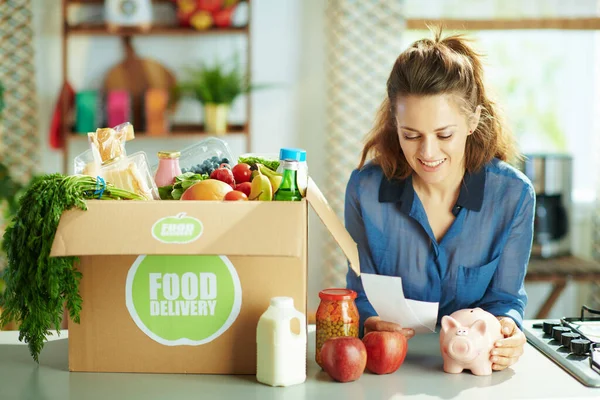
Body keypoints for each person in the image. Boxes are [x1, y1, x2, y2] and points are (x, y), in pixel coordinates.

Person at [345, 28, 534, 372]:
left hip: (475, 375)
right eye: (411, 135)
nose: (427, 153)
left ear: (473, 119)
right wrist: (369, 321)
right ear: (394, 123)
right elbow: (360, 293)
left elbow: (505, 301)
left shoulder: (512, 196)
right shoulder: (366, 190)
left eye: (444, 134)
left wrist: (508, 331)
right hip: (390, 372)